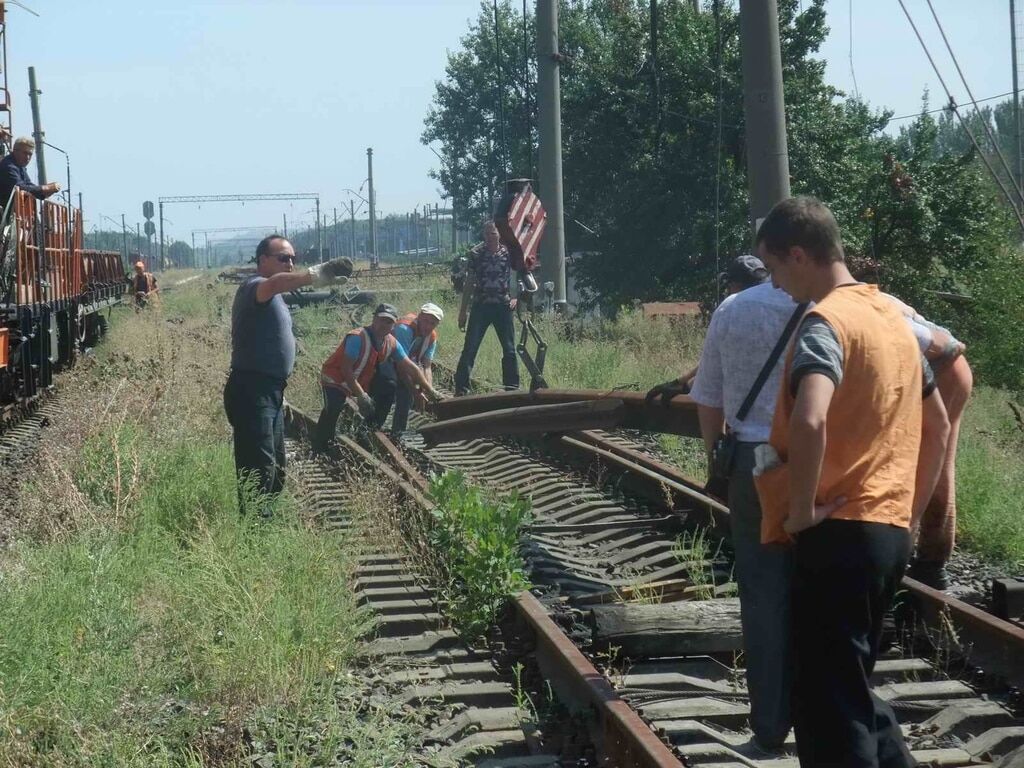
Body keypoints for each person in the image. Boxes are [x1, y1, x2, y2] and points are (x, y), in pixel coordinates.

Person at [754, 196, 950, 768]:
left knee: (829, 710)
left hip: (836, 530)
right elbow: (938, 425)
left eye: (775, 270)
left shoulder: (827, 322)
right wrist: (911, 511)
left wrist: (799, 511)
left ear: (799, 254)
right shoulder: (894, 317)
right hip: (886, 532)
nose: (777, 285)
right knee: (851, 689)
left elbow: (811, 416)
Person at [680, 255, 804, 754]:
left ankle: (770, 728)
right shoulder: (841, 302)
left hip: (756, 463)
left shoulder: (733, 309)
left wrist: (716, 464)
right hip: (830, 465)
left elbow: (707, 397)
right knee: (827, 592)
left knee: (763, 595)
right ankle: (831, 721)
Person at [224, 234, 349, 516]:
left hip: (270, 392)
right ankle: (254, 537)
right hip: (251, 392)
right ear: (263, 260)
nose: (290, 262)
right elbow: (276, 282)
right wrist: (317, 274)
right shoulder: (256, 286)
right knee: (258, 471)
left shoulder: (274, 296)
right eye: (283, 257)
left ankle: (261, 528)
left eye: (293, 258)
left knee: (277, 470)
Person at [314, 303, 442, 451]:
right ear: (374, 319)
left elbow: (410, 367)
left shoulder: (391, 342)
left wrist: (430, 390)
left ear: (393, 325)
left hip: (360, 379)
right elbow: (346, 369)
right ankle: (322, 447)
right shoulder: (358, 337)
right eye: (382, 320)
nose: (384, 325)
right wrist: (361, 395)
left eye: (389, 322)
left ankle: (367, 431)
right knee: (334, 407)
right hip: (335, 379)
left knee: (388, 386)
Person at [646, 255, 771, 404]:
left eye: (730, 285)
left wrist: (686, 386)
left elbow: (719, 371)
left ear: (736, 285)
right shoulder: (779, 309)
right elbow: (715, 360)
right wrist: (680, 382)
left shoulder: (736, 313)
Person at [453, 220, 520, 395]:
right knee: (470, 348)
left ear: (499, 234)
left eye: (493, 233)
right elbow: (469, 283)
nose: (490, 237)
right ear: (483, 235)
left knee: (510, 349)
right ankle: (461, 389)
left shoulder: (508, 252)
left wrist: (516, 297)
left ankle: (512, 388)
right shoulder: (476, 253)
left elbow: (517, 276)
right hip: (481, 306)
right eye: (487, 233)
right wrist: (463, 311)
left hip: (502, 307)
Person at [375, 302, 444, 435]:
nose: (428, 326)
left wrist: (428, 390)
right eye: (426, 321)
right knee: (395, 390)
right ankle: (374, 426)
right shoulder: (404, 329)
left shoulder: (431, 337)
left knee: (409, 392)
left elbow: (426, 365)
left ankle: (397, 433)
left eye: (432, 323)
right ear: (419, 317)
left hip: (406, 364)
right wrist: (415, 391)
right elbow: (401, 365)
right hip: (385, 363)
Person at [0, 137, 61, 210]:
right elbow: (20, 187)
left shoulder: (19, 166)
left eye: (30, 154)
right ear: (15, 151)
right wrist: (45, 188)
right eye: (25, 153)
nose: (27, 157)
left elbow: (28, 185)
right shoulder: (8, 166)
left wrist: (46, 192)